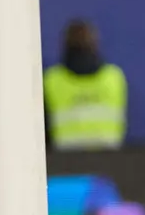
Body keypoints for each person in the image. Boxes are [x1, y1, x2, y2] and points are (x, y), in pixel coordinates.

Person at [43, 20, 127, 151]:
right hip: (110, 160)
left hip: (63, 163)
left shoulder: (52, 79)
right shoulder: (114, 77)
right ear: (95, 43)